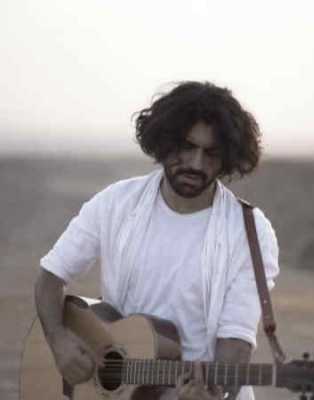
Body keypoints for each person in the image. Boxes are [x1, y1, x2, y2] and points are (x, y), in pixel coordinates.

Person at [34, 81, 280, 400]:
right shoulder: (115, 204)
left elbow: (236, 341)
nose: (196, 164)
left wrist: (214, 395)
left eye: (211, 154)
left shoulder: (250, 231)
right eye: (186, 147)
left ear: (227, 159)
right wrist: (58, 341)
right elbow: (51, 277)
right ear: (163, 142)